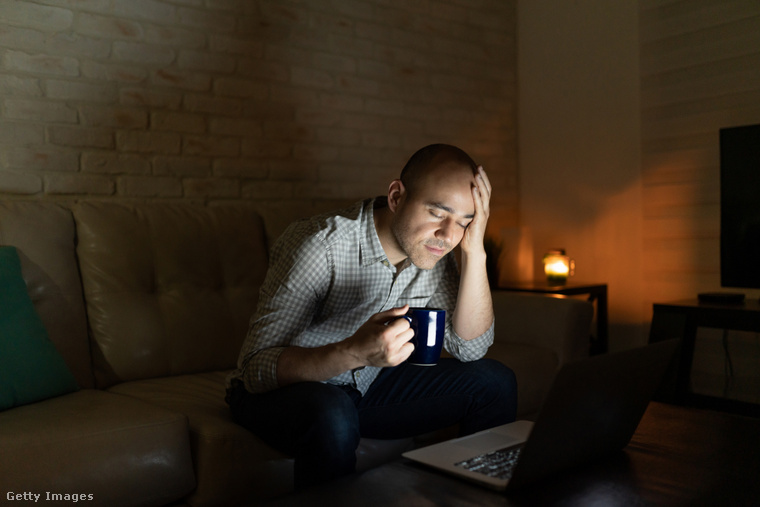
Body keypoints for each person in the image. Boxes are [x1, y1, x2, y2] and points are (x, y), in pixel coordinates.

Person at [226, 144, 517, 489]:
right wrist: (353, 352)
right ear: (396, 197)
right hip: (285, 394)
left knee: (495, 382)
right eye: (438, 213)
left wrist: (475, 251)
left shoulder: (435, 250)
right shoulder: (321, 246)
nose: (449, 236)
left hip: (364, 388)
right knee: (334, 412)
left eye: (465, 221)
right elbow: (255, 370)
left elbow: (470, 350)